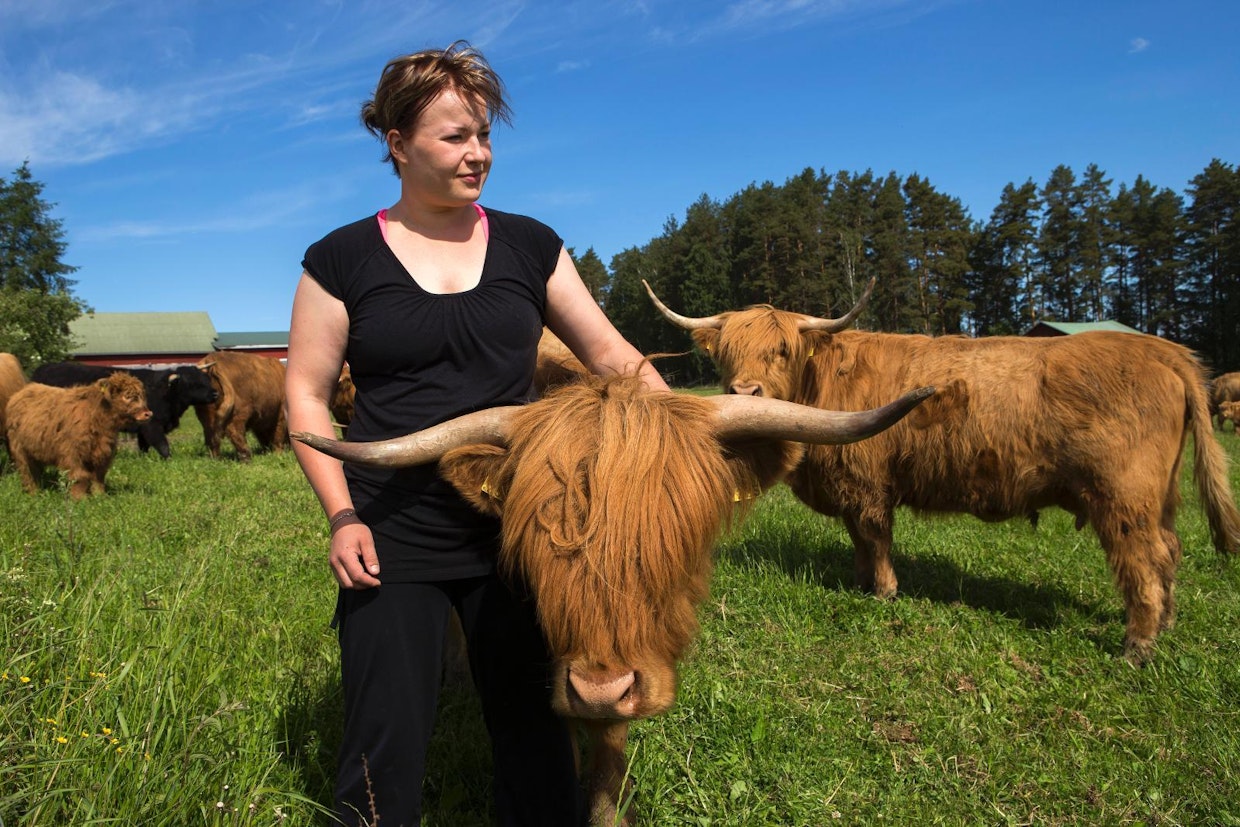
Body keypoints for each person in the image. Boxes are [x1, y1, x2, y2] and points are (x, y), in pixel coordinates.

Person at [285, 41, 668, 826]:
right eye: (456, 136)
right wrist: (342, 514)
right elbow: (306, 398)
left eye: (484, 135)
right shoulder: (341, 259)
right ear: (396, 144)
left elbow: (613, 357)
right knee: (381, 746)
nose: (478, 154)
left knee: (536, 741)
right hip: (394, 529)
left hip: (525, 527)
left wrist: (682, 433)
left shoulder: (531, 245)